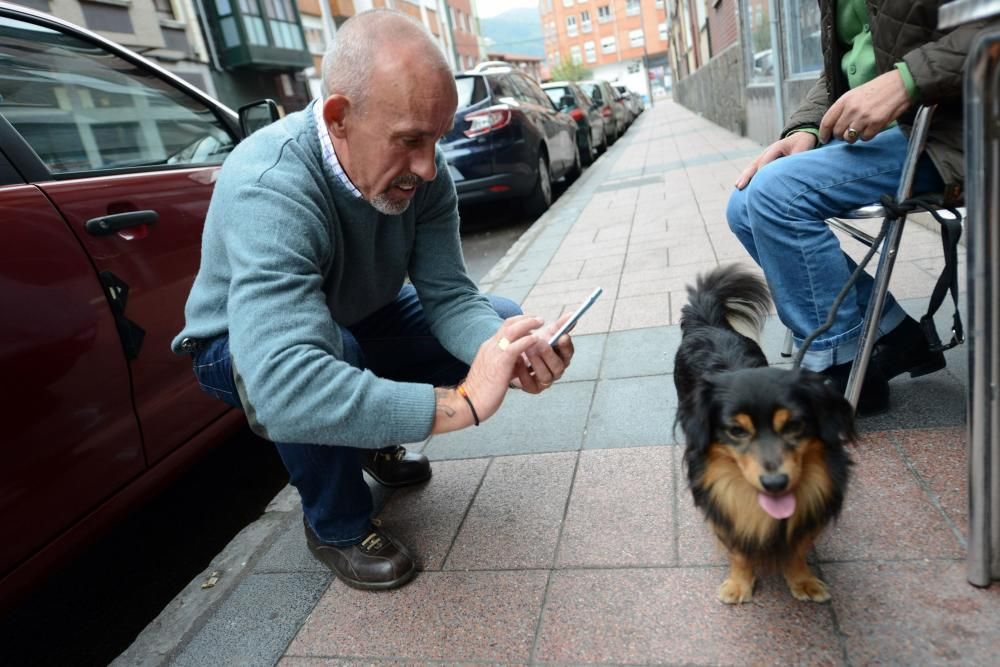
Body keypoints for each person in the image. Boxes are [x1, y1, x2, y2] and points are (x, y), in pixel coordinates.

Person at [172, 9, 575, 591]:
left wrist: (506, 355)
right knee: (329, 352)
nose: (429, 167)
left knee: (504, 321)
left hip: (357, 317)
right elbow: (284, 380)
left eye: (437, 138)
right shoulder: (271, 183)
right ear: (339, 117)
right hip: (237, 345)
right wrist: (463, 402)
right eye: (411, 140)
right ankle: (335, 525)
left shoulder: (426, 175)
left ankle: (367, 438)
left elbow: (450, 294)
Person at [726, 0, 987, 414]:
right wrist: (806, 127)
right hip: (876, 131)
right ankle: (896, 333)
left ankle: (844, 371)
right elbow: (848, 64)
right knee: (743, 203)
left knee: (778, 194)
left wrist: (906, 80)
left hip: (951, 125)